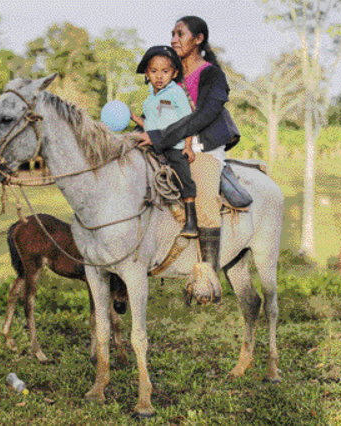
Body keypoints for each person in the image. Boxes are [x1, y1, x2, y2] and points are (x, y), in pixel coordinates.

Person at [136, 16, 239, 296]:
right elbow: (156, 110)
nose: (173, 39)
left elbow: (204, 115)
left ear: (198, 39)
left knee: (204, 197)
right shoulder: (168, 71)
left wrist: (160, 137)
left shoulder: (212, 75)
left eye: (180, 34)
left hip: (202, 147)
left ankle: (208, 273)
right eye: (172, 33)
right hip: (168, 144)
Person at [130, 45, 199, 238]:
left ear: (174, 73)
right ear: (146, 73)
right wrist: (134, 117)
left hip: (174, 146)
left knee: (182, 175)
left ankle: (191, 220)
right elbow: (151, 126)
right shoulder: (149, 100)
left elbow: (187, 120)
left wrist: (187, 146)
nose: (159, 76)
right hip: (155, 144)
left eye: (165, 71)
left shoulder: (175, 92)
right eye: (154, 71)